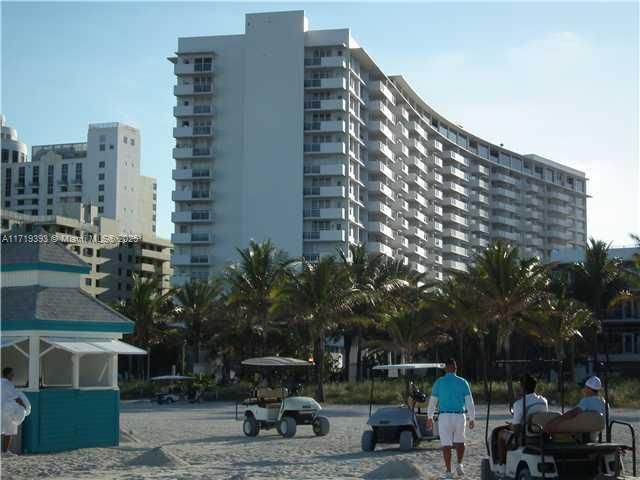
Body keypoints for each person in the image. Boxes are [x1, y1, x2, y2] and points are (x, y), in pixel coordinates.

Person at [427, 359, 475, 479]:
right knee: (460, 442)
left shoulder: (439, 382)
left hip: (444, 416)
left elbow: (432, 402)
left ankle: (448, 471)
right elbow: (470, 402)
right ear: (455, 368)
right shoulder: (463, 382)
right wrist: (472, 418)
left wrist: (429, 417)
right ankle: (459, 464)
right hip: (459, 416)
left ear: (445, 368)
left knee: (446, 445)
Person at [496, 374, 548, 473]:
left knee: (501, 433)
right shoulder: (543, 401)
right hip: (540, 434)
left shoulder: (519, 404)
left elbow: (516, 429)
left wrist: (511, 426)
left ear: (522, 387)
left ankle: (502, 465)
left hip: (525, 436)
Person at [1, 367, 27, 454]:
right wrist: (24, 406)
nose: (13, 375)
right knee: (9, 431)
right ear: (8, 374)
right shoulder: (8, 384)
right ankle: (5, 451)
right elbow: (16, 398)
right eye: (12, 374)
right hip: (6, 410)